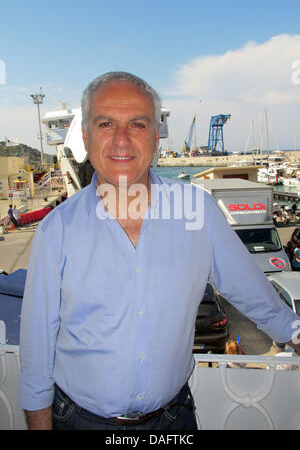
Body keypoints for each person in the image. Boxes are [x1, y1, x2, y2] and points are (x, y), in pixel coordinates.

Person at [18, 71, 300, 431]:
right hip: (79, 420)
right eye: (106, 123)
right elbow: (37, 345)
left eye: (137, 124)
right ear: (87, 138)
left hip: (172, 420)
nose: (121, 140)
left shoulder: (198, 215)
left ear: (155, 137)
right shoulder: (56, 230)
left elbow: (254, 295)